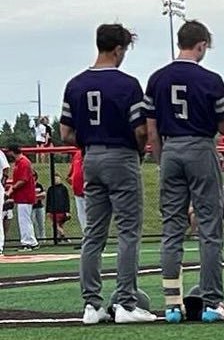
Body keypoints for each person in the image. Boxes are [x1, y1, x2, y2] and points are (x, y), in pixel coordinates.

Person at [144, 20, 224, 322]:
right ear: (201, 45)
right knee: (210, 228)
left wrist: (162, 160)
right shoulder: (211, 80)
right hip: (199, 146)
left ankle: (172, 304)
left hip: (170, 149)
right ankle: (212, 303)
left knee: (172, 229)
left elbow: (151, 130)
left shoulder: (157, 79)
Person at [61, 23, 155, 324]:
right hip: (121, 155)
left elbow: (65, 133)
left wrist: (90, 142)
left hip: (90, 157)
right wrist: (138, 152)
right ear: (118, 49)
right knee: (128, 231)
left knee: (93, 233)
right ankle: (126, 302)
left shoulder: (75, 84)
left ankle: (91, 305)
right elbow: (140, 130)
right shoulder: (128, 85)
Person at [8, 146, 38, 251]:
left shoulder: (23, 162)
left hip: (25, 196)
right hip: (22, 196)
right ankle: (31, 242)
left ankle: (27, 242)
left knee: (24, 220)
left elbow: (23, 180)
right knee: (25, 220)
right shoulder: (20, 162)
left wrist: (12, 189)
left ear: (13, 151)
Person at [46, 175, 70, 242]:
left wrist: (67, 211)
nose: (56, 180)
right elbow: (48, 200)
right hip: (53, 210)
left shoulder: (64, 188)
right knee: (55, 224)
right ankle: (63, 234)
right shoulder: (50, 189)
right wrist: (47, 211)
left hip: (62, 210)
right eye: (55, 179)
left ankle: (58, 238)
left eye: (57, 179)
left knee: (60, 224)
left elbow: (67, 200)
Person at [69, 150, 85, 249]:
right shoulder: (77, 154)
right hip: (78, 190)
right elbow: (72, 172)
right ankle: (87, 238)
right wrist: (72, 180)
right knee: (81, 216)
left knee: (91, 217)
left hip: (89, 190)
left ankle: (96, 241)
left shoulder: (89, 151)